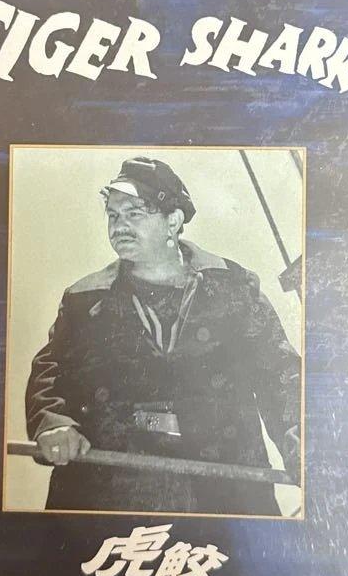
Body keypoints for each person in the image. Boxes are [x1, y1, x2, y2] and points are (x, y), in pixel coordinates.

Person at [25, 156, 301, 516]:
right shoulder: (85, 301)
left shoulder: (234, 289)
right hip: (112, 500)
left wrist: (302, 440)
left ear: (173, 220)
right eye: (113, 215)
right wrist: (54, 425)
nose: (119, 225)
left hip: (224, 498)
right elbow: (50, 374)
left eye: (134, 214)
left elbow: (280, 375)